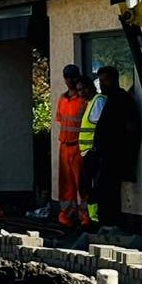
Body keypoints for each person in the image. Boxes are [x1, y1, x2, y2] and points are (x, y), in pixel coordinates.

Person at [91, 65, 142, 229]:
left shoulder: (122, 99)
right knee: (103, 188)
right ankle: (106, 223)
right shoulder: (110, 99)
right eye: (100, 81)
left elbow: (131, 129)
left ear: (114, 80)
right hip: (105, 154)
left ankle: (111, 223)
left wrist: (123, 152)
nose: (102, 85)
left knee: (108, 190)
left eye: (105, 81)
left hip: (115, 155)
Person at [55, 64, 86, 227]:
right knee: (66, 183)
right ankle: (68, 214)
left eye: (72, 76)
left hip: (78, 145)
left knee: (82, 182)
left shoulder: (83, 100)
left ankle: (85, 216)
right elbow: (61, 120)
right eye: (67, 77)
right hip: (65, 145)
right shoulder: (62, 98)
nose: (70, 80)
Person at [77, 73, 105, 227]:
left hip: (93, 152)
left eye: (83, 89)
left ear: (91, 87)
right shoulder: (91, 103)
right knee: (86, 186)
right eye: (79, 90)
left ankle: (95, 219)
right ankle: (92, 217)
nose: (81, 93)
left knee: (91, 186)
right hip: (87, 153)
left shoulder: (98, 102)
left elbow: (102, 127)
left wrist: (95, 148)